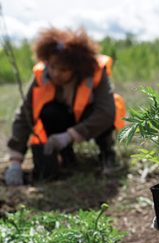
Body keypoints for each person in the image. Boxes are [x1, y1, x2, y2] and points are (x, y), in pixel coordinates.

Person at [4, 27, 126, 185]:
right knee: (49, 112)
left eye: (63, 70)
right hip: (65, 119)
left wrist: (69, 136)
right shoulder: (42, 76)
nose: (55, 73)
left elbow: (106, 112)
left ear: (76, 68)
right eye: (53, 67)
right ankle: (67, 158)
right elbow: (24, 116)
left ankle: (107, 154)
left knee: (105, 113)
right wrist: (15, 161)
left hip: (90, 121)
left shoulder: (95, 72)